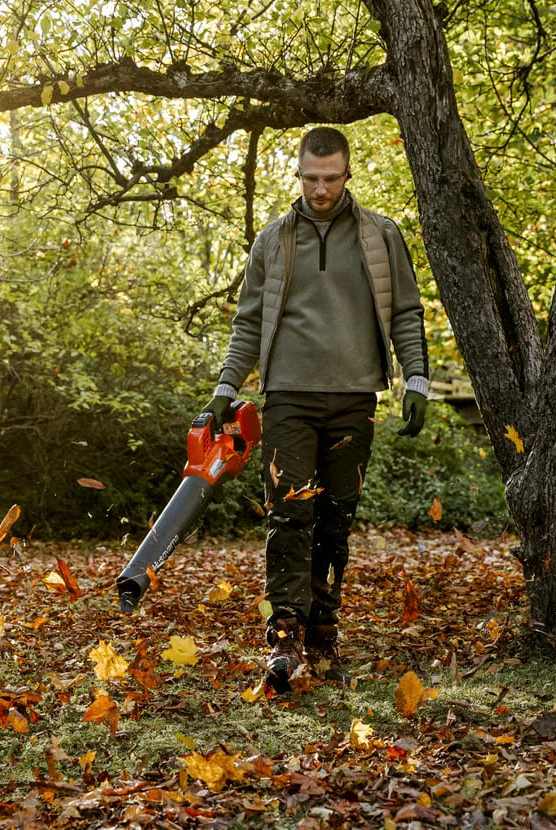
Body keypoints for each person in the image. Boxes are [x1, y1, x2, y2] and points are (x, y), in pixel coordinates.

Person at [203, 126, 430, 690]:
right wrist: (226, 388)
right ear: (298, 174)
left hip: (355, 400)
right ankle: (283, 643)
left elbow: (406, 311)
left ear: (347, 174)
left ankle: (323, 638)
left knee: (335, 521)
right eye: (310, 178)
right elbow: (249, 323)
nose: (320, 190)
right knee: (289, 515)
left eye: (330, 179)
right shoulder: (274, 241)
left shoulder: (380, 236)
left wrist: (418, 380)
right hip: (287, 399)